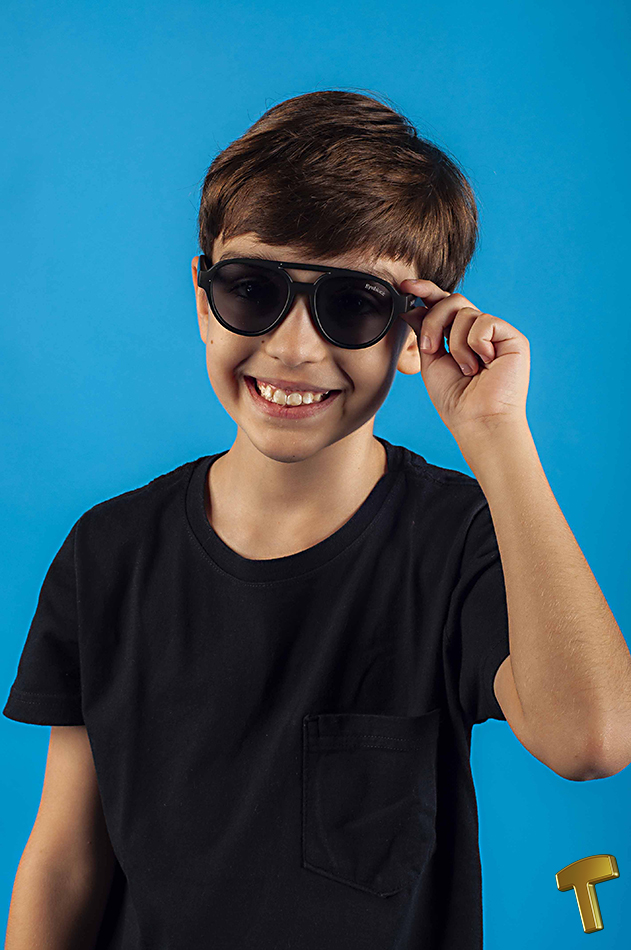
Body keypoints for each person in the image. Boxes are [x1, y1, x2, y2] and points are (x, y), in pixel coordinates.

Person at [4, 90, 630, 950]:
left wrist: (496, 436)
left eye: (353, 304)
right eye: (251, 290)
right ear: (203, 299)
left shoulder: (458, 542)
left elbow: (593, 739)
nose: (294, 348)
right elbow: (65, 861)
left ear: (416, 330)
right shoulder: (108, 552)